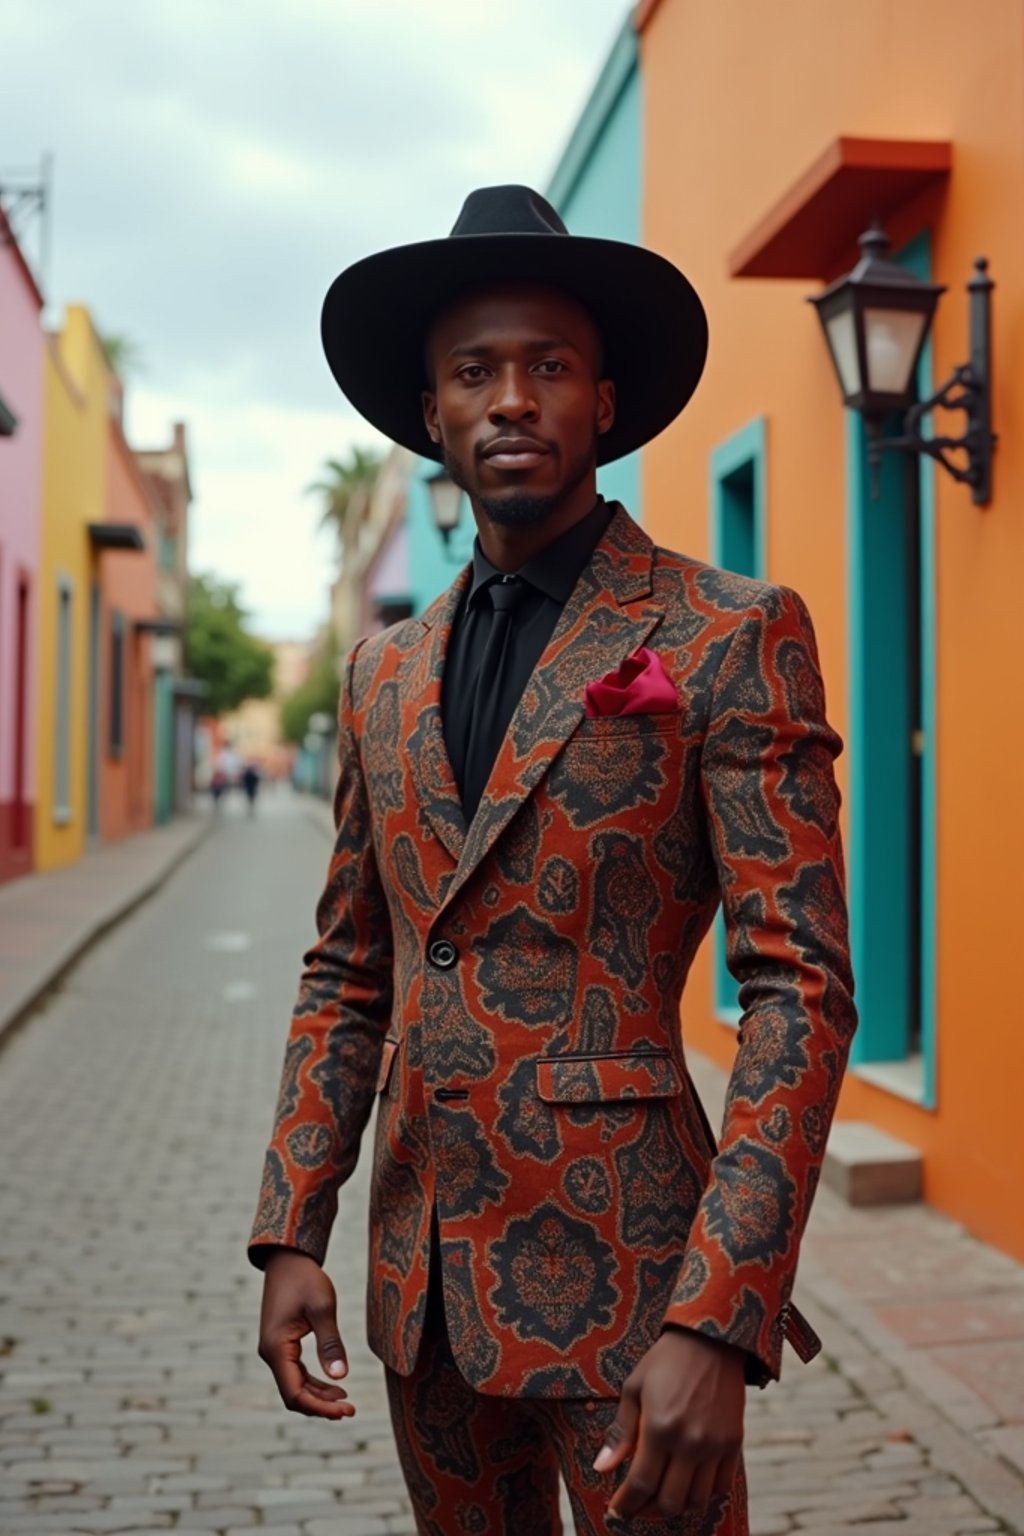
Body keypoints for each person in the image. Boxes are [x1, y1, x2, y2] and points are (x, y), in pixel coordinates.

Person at [249, 186, 856, 1535]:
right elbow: (353, 968)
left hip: (642, 1278)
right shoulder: (379, 674)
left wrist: (723, 1315)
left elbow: (800, 989)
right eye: (474, 371)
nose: (511, 398)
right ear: (431, 419)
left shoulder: (723, 633)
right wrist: (295, 1227)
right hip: (427, 1288)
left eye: (548, 367)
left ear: (603, 403)